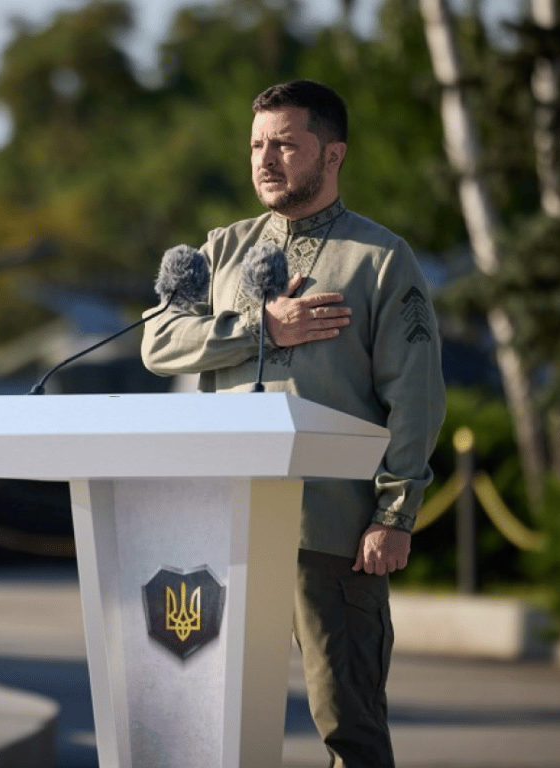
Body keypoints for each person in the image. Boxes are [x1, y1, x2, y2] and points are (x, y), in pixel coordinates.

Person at [141, 79, 446, 768]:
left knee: (349, 725)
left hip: (330, 532)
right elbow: (158, 342)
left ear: (332, 154)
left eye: (285, 143)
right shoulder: (219, 250)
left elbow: (416, 395)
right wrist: (262, 327)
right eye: (256, 144)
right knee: (205, 725)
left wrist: (395, 514)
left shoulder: (380, 260)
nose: (265, 160)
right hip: (215, 530)